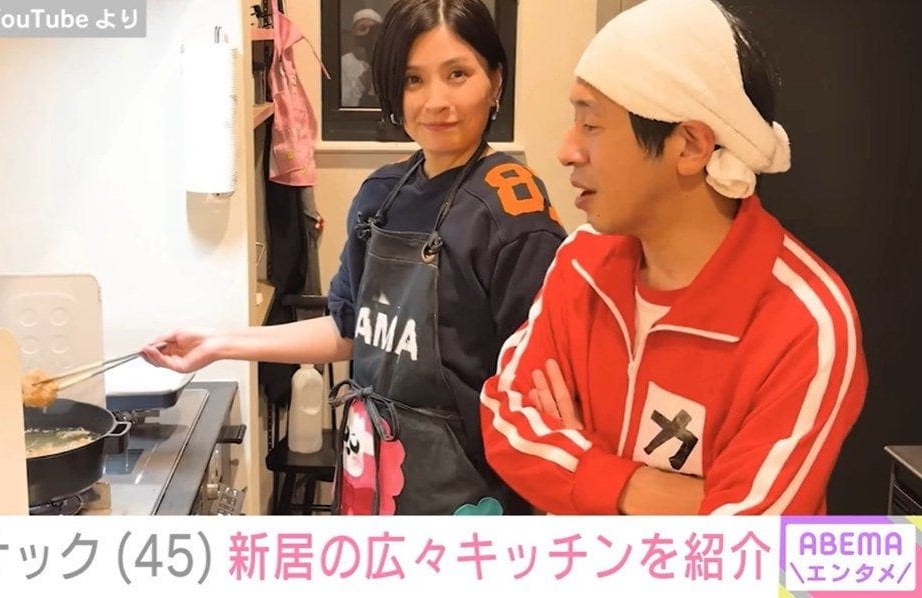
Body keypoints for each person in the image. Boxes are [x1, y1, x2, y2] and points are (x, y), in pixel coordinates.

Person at [143, 0, 565, 515]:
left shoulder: (513, 212)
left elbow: (544, 392)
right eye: (413, 80)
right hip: (373, 469)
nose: (436, 102)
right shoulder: (382, 194)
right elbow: (348, 330)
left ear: (495, 81)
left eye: (458, 74)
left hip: (470, 495)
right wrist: (218, 344)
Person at [479, 0, 867, 516]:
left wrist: (575, 466)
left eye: (591, 125)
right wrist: (643, 490)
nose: (567, 150)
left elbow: (741, 543)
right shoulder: (582, 261)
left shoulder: (806, 322)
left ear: (689, 146)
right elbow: (506, 416)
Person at [341, 8, 382, 107]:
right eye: (362, 28)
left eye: (372, 30)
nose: (367, 33)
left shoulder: (389, 62)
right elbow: (342, 103)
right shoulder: (344, 63)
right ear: (353, 32)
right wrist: (361, 83)